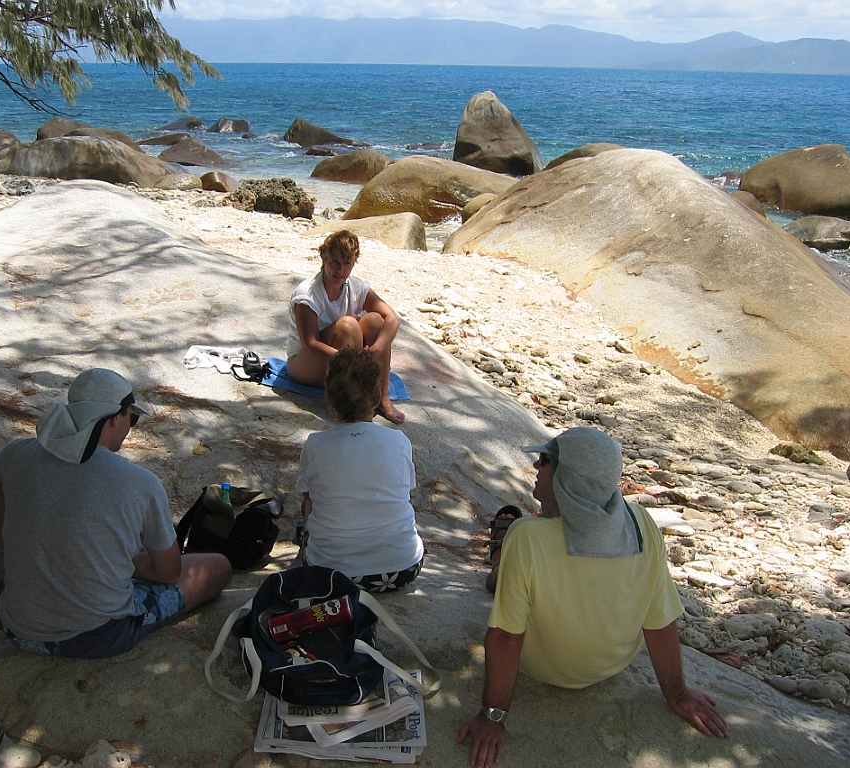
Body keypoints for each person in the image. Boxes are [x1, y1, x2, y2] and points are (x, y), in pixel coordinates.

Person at [459, 427, 729, 768]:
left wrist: (493, 717)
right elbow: (659, 622)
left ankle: (499, 560)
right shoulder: (642, 523)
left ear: (564, 478)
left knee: (510, 570)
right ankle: (503, 563)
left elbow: (507, 638)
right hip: (610, 668)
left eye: (544, 461)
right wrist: (677, 693)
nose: (534, 467)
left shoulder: (527, 536)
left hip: (540, 667)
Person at [0, 368, 232, 659]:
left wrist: (2, 540)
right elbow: (169, 572)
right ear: (116, 417)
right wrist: (127, 561)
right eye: (133, 418)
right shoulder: (139, 482)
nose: (130, 427)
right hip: (96, 635)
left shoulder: (18, 453)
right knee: (218, 567)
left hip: (16, 626)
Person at [296, 348, 424, 592]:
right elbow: (406, 491)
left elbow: (308, 501)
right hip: (402, 569)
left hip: (329, 574)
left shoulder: (315, 444)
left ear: (330, 399)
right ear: (376, 400)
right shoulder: (399, 441)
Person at [286, 230, 405, 424]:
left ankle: (382, 397)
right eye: (335, 262)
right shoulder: (307, 295)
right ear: (324, 258)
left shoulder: (357, 287)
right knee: (348, 326)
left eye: (347, 264)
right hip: (306, 364)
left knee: (376, 321)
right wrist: (353, 361)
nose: (340, 270)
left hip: (344, 359)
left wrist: (374, 351)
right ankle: (351, 401)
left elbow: (393, 319)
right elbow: (310, 344)